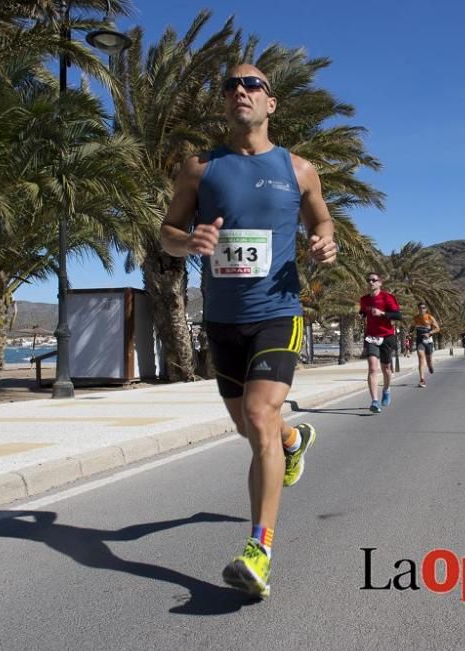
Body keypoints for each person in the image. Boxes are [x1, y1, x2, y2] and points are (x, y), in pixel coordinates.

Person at [160, 64, 337, 599]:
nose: (240, 91)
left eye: (251, 85)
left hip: (278, 312)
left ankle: (259, 548)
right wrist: (186, 242)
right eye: (230, 86)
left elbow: (323, 221)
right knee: (250, 428)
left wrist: (326, 242)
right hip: (221, 320)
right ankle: (293, 439)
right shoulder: (200, 168)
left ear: (270, 104)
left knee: (259, 414)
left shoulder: (299, 169)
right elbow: (167, 232)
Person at [359, 272, 401, 412]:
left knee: (386, 369)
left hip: (387, 336)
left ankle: (387, 389)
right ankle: (374, 401)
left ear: (380, 283)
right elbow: (363, 311)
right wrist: (362, 315)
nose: (371, 282)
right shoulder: (364, 299)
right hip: (371, 336)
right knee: (372, 368)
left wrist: (382, 313)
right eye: (368, 280)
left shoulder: (387, 297)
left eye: (374, 280)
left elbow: (398, 315)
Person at [411, 303, 441, 387]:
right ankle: (422, 379)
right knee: (421, 358)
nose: (422, 309)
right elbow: (412, 327)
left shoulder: (430, 317)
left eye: (423, 308)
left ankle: (430, 366)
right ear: (418, 309)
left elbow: (438, 328)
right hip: (419, 340)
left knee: (429, 361)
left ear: (426, 309)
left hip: (429, 341)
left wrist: (429, 333)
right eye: (420, 308)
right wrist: (409, 333)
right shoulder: (415, 318)